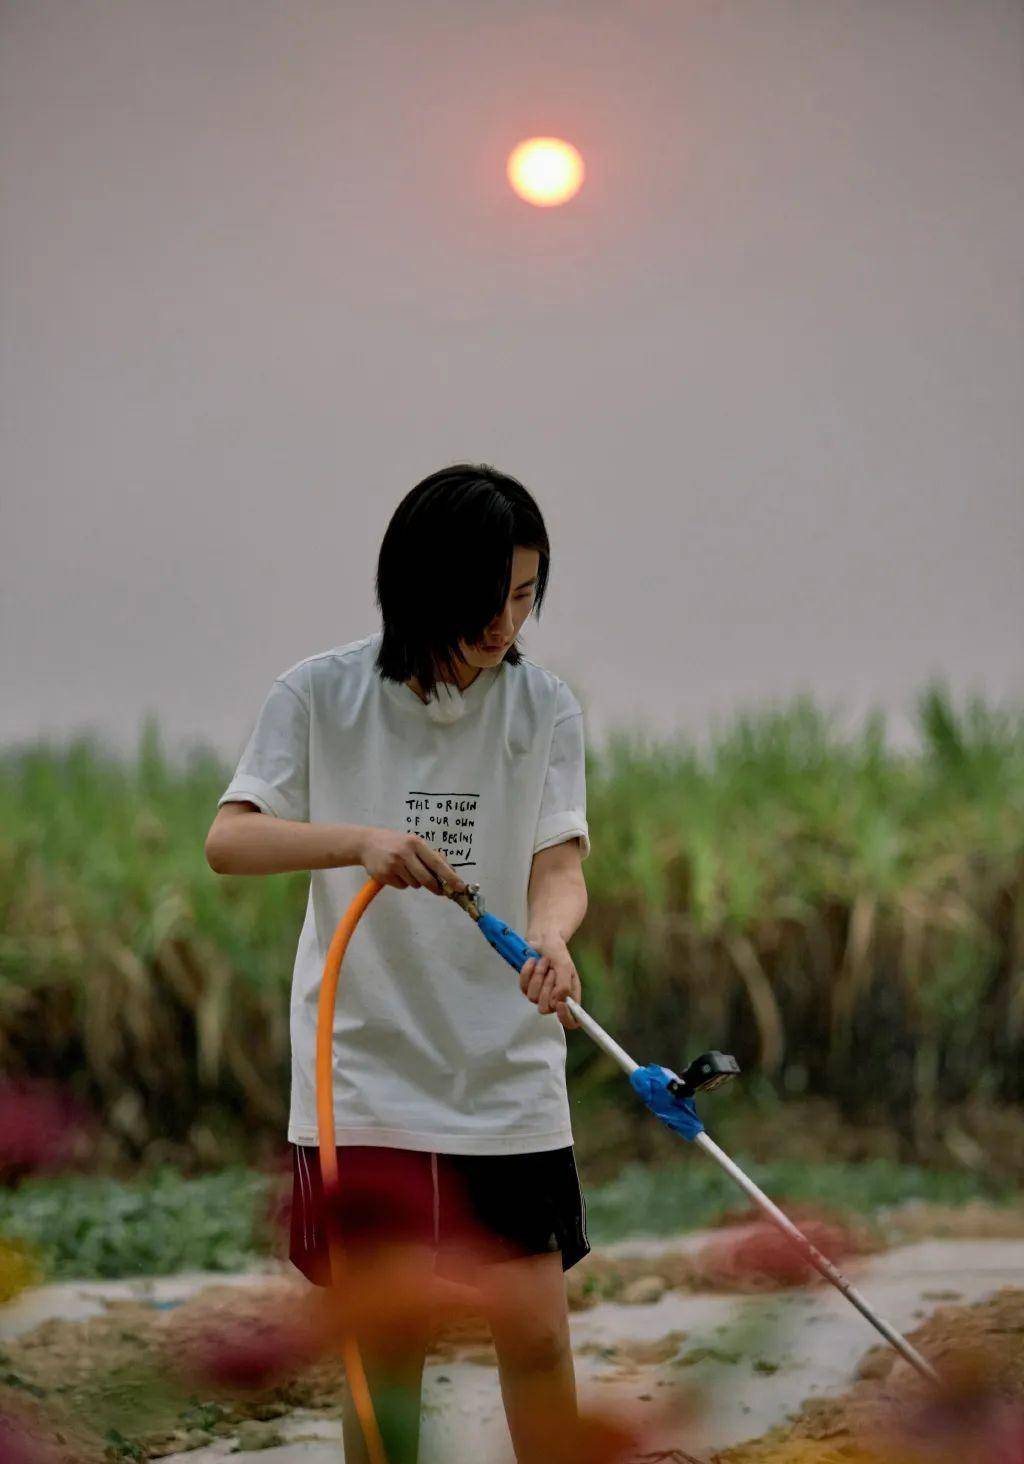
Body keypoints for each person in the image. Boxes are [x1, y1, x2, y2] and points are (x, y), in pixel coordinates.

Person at [204, 463, 592, 1463]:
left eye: (523, 596)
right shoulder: (320, 693)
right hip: (362, 1076)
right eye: (485, 598)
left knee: (538, 1337)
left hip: (503, 1071)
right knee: (387, 1354)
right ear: (421, 585)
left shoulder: (543, 708)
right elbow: (230, 841)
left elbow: (560, 862)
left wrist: (552, 934)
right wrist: (357, 843)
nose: (506, 624)